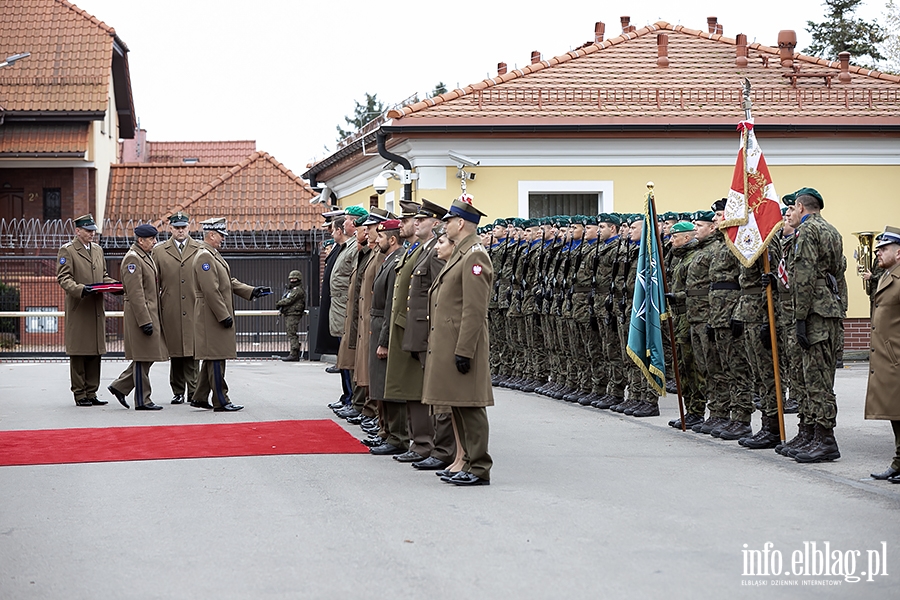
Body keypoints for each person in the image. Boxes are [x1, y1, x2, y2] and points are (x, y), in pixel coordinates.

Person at [422, 196, 494, 486]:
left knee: (470, 406)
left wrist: (464, 349)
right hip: (452, 342)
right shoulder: (463, 253)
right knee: (458, 403)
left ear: (460, 223)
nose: (445, 226)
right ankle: (468, 464)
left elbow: (474, 309)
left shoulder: (474, 255)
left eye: (449, 221)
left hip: (464, 344)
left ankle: (479, 467)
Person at [782, 188, 845, 463]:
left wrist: (799, 317)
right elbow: (839, 270)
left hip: (814, 310)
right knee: (812, 375)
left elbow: (804, 275)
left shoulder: (807, 231)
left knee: (816, 378)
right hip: (827, 306)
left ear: (800, 206)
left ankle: (825, 440)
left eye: (792, 208)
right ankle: (810, 433)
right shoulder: (832, 230)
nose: (791, 214)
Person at [189, 218, 266, 412]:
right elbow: (211, 290)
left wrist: (251, 290)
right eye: (221, 235)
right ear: (211, 234)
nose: (223, 239)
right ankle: (221, 400)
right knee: (216, 358)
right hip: (211, 316)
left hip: (212, 314)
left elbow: (227, 282)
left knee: (212, 357)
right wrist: (223, 315)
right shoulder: (204, 257)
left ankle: (199, 397)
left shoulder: (212, 255)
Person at [56, 214, 117, 406]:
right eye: (88, 231)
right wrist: (81, 289)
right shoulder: (68, 251)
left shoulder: (97, 250)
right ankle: (80, 393)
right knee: (79, 353)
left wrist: (115, 286)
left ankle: (92, 392)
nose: (92, 234)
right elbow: (64, 279)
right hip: (80, 308)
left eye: (93, 231)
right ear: (78, 231)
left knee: (94, 352)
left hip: (96, 308)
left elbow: (103, 275)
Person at [108, 224, 168, 410]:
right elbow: (136, 294)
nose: (155, 242)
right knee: (143, 357)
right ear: (140, 240)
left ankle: (120, 387)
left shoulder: (144, 256)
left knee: (148, 355)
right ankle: (143, 400)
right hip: (141, 317)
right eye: (151, 239)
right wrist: (144, 321)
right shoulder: (133, 259)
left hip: (150, 314)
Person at [366, 219, 407, 456]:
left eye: (380, 237)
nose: (376, 240)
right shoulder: (388, 260)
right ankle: (386, 432)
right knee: (380, 385)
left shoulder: (396, 262)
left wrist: (384, 340)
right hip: (377, 323)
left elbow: (392, 305)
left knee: (389, 387)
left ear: (392, 239)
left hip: (384, 326)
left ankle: (397, 436)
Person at [152, 211, 202, 404]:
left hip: (193, 305)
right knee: (176, 352)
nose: (180, 231)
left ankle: (195, 390)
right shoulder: (159, 251)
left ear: (189, 227)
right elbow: (154, 280)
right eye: (177, 228)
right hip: (170, 307)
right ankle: (178, 391)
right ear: (170, 228)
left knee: (192, 350)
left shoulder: (199, 248)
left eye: (183, 227)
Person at [864, 226, 900, 482]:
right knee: (894, 412)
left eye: (884, 248)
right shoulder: (888, 275)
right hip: (888, 356)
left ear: (899, 253)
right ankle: (899, 461)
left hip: (896, 355)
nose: (878, 252)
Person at [329, 215, 357, 400]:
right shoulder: (344, 248)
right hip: (339, 307)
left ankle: (350, 397)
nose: (331, 233)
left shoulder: (352, 248)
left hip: (344, 306)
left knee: (347, 355)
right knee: (343, 354)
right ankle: (347, 396)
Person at [276, 270, 307, 361]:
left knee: (292, 333)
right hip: (290, 313)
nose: (292, 280)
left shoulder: (297, 290)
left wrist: (279, 303)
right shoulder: (291, 289)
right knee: (291, 333)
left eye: (294, 278)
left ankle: (294, 353)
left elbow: (289, 300)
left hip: (294, 314)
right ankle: (294, 352)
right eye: (291, 278)